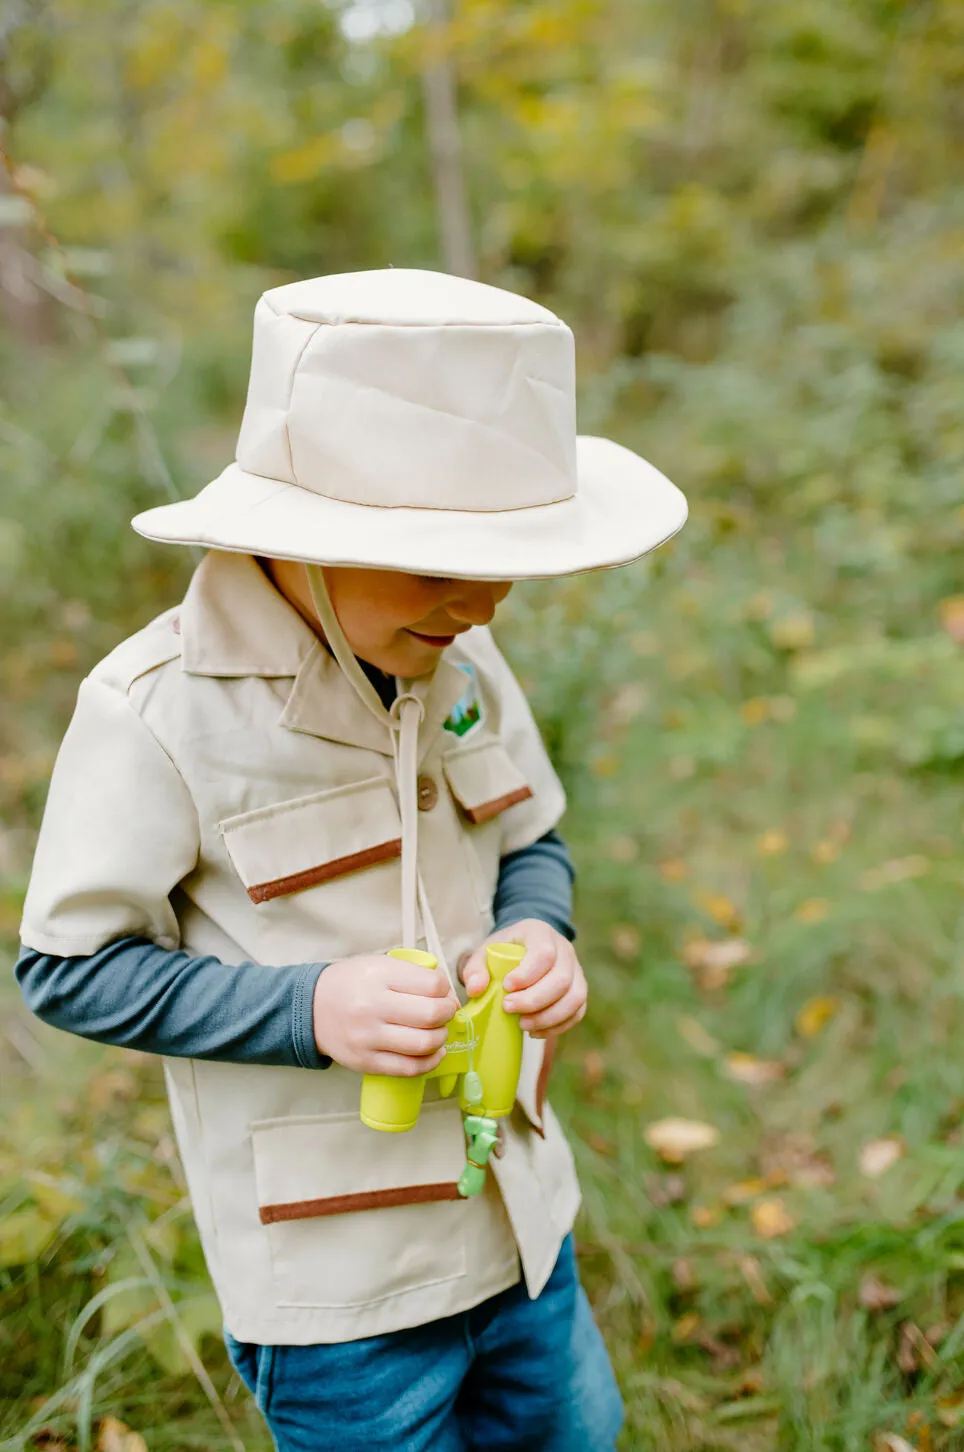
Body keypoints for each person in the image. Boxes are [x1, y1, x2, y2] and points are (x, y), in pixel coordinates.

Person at [16, 269, 687, 1451]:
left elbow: (529, 837)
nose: (478, 605)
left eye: (505, 567)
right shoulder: (161, 712)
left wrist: (540, 931)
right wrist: (308, 1008)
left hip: (521, 1227)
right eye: (436, 564)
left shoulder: (460, 661)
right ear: (308, 537)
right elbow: (69, 969)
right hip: (340, 1292)